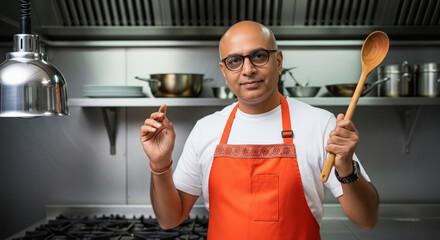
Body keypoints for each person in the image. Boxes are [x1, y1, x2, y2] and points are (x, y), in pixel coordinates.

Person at [140, 21, 379, 239]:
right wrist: (160, 165)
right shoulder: (206, 129)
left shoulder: (320, 125)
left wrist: (347, 168)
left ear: (278, 61)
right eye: (235, 61)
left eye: (259, 56)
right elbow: (170, 219)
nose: (248, 70)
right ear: (224, 72)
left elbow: (367, 220)